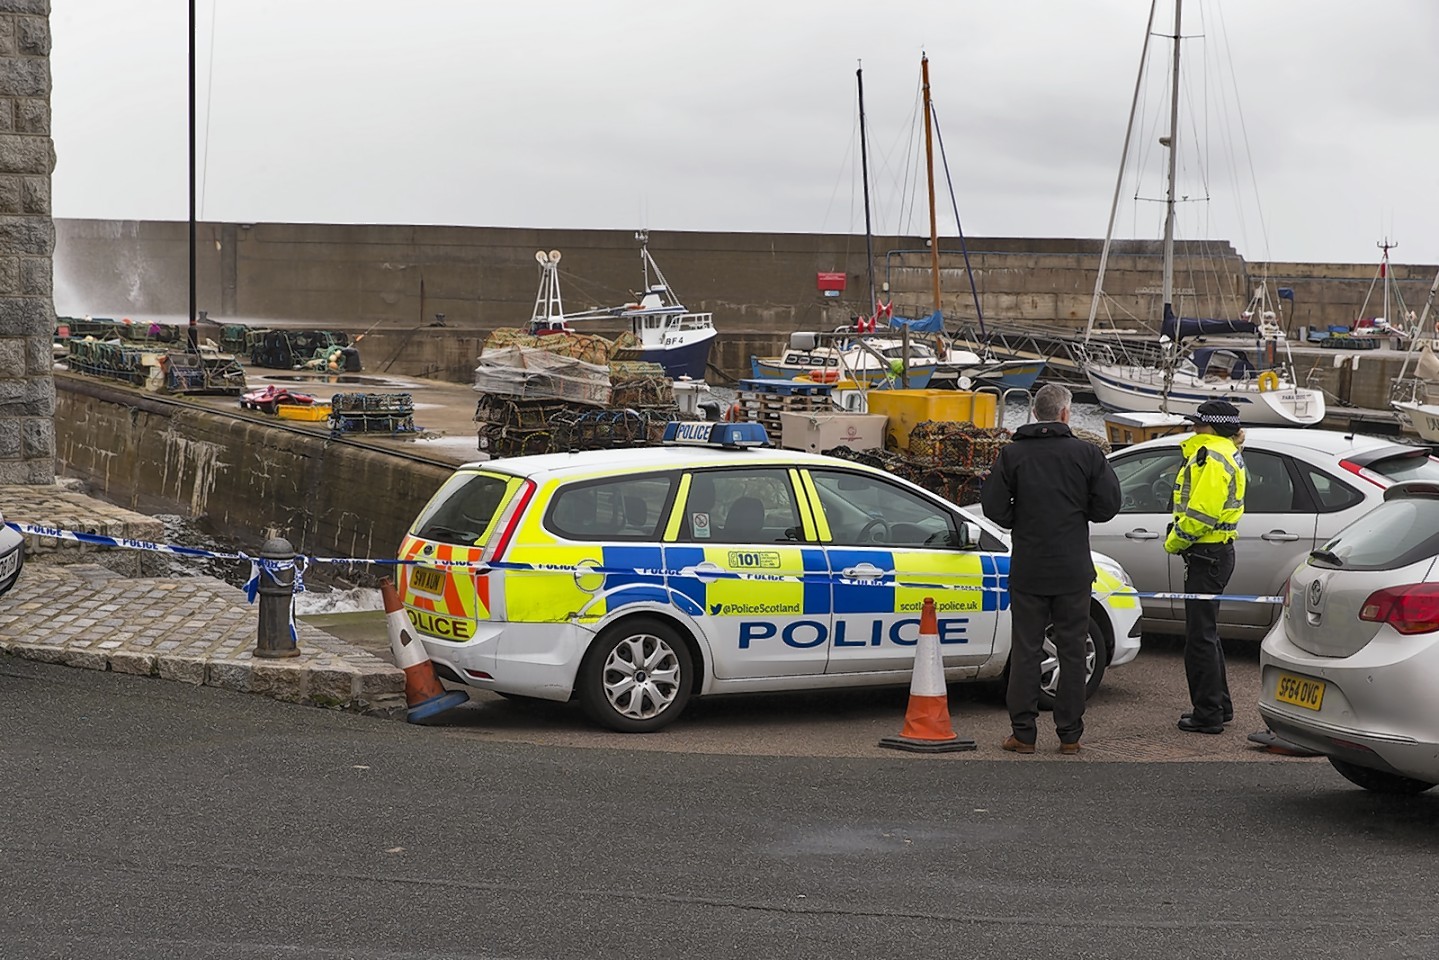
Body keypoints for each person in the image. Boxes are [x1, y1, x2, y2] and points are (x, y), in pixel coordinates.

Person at [980, 383, 1121, 755]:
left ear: (1034, 413)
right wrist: (1080, 513)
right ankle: (1070, 734)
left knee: (1026, 649)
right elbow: (1108, 505)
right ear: (1064, 414)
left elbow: (994, 507)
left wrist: (1020, 519)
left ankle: (1023, 733)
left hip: (1029, 567)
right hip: (1073, 567)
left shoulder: (1012, 456)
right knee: (1073, 650)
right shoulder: (1087, 454)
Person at [1164, 399, 1247, 735]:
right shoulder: (1224, 452)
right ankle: (1218, 706)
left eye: (1197, 424)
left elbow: (1202, 514)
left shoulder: (1210, 456)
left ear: (1210, 427)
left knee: (1199, 639)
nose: (1193, 428)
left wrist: (1175, 541)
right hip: (1215, 553)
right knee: (1207, 635)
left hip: (1206, 553)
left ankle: (1208, 714)